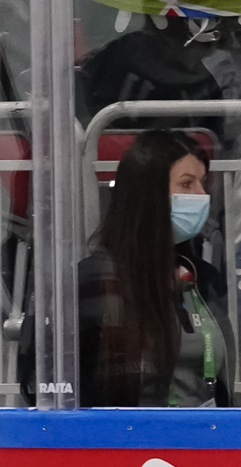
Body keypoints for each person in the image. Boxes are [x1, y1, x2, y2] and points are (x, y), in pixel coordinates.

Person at [79, 128, 232, 406]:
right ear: (148, 194)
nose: (201, 195)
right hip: (131, 442)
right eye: (187, 185)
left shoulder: (203, 278)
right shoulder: (98, 279)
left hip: (208, 441)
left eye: (203, 183)